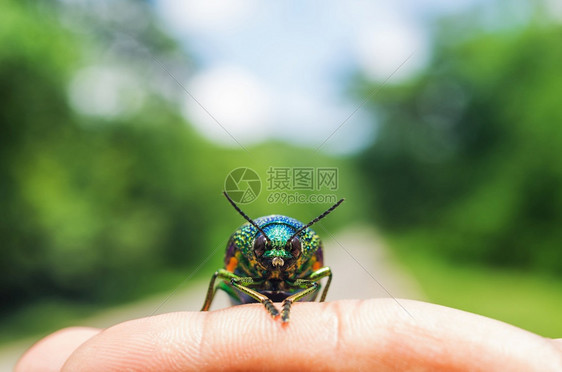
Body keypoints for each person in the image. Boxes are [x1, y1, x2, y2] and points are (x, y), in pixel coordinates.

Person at [15, 299, 562, 371]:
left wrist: (303, 305)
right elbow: (226, 273)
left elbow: (317, 275)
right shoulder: (244, 256)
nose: (279, 260)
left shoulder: (308, 261)